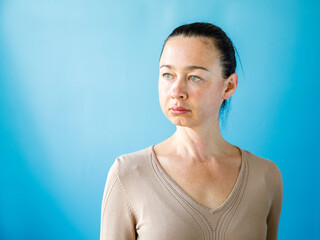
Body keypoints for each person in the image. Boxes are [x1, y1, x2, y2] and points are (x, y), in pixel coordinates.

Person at [100, 22, 283, 240]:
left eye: (194, 77)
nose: (176, 91)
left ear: (229, 86)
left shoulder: (265, 177)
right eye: (168, 75)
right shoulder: (128, 174)